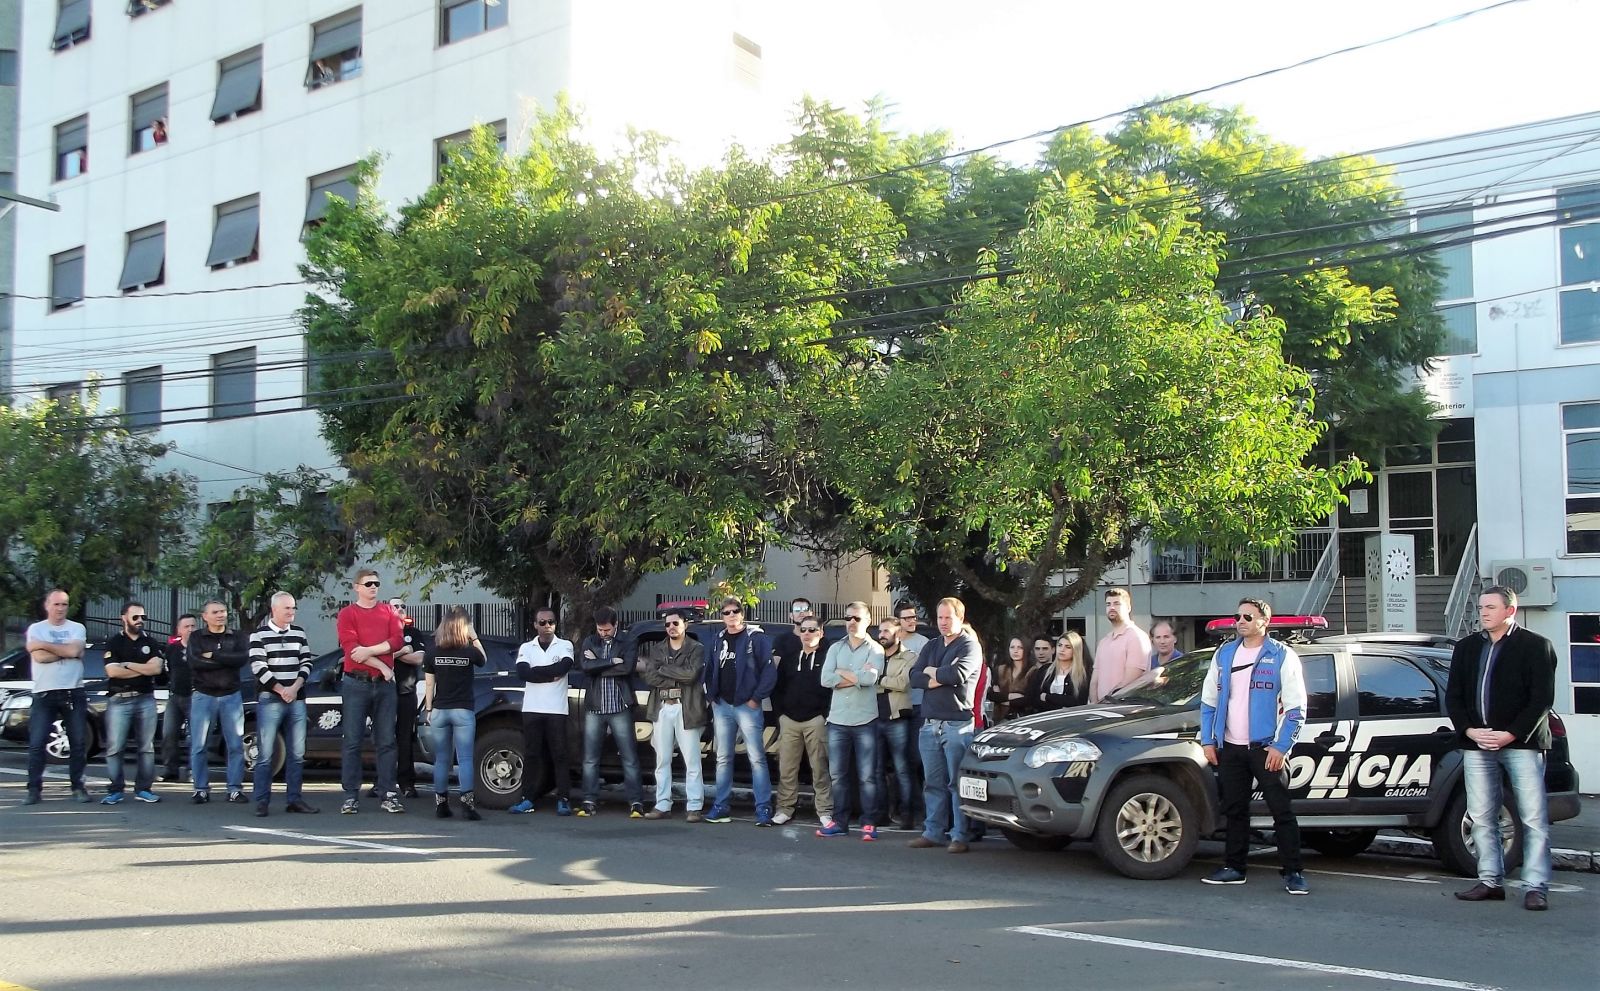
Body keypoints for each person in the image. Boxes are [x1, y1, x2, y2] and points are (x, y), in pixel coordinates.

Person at [1446, 586, 1559, 911]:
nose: (1484, 613)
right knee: (1481, 815)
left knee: (1533, 817)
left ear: (1510, 610)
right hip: (1476, 744)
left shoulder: (1536, 646)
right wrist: (1469, 729)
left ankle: (1536, 886)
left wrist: (1510, 734)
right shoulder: (1467, 648)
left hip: (1520, 745)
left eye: (1491, 607)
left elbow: (1541, 699)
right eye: (1481, 607)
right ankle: (1490, 880)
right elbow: (1454, 695)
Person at [1199, 597, 1309, 894]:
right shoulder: (1224, 654)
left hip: (1265, 748)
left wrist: (1281, 746)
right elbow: (1209, 701)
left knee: (1281, 810)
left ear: (1264, 621)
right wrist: (1208, 740)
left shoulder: (1282, 655)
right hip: (1231, 747)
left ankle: (1293, 872)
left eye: (1248, 616)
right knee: (1235, 810)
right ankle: (1234, 867)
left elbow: (1297, 707)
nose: (1241, 621)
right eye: (1238, 616)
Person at [908, 596, 982, 853]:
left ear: (960, 618)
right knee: (933, 783)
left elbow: (957, 674)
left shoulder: (970, 645)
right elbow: (914, 676)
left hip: (957, 724)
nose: (943, 622)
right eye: (939, 617)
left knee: (956, 783)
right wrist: (936, 674)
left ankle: (960, 835)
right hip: (930, 724)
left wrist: (932, 671)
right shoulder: (931, 645)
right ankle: (933, 832)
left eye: (948, 617)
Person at [335, 568, 404, 814]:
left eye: (376, 583)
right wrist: (382, 665)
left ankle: (388, 792)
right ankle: (350, 795)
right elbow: (352, 650)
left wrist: (370, 652)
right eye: (368, 583)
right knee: (352, 740)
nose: (373, 587)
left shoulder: (389, 611)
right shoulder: (347, 614)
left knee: (386, 741)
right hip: (356, 683)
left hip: (384, 686)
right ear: (356, 587)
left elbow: (397, 640)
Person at [702, 597, 777, 826]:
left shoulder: (757, 639)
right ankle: (721, 806)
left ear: (742, 614)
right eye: (726, 612)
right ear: (722, 616)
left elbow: (769, 671)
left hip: (747, 706)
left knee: (756, 759)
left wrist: (756, 698)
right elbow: (710, 669)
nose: (731, 615)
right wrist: (711, 697)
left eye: (735, 611)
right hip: (722, 705)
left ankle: (763, 808)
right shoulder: (717, 639)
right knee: (723, 758)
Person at [247, 592, 318, 817]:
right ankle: (261, 800)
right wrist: (281, 690)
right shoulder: (259, 635)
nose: (291, 612)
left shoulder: (299, 633)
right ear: (274, 610)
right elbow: (259, 668)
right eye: (287, 608)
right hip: (271, 699)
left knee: (297, 753)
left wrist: (295, 687)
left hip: (295, 698)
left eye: (293, 608)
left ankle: (294, 799)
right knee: (266, 753)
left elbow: (306, 662)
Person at [817, 602, 883, 840]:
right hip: (838, 720)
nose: (851, 622)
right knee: (838, 775)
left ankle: (869, 823)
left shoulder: (876, 650)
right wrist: (856, 676)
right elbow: (825, 679)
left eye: (856, 618)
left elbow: (871, 679)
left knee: (867, 776)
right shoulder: (835, 647)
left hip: (865, 719)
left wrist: (842, 672)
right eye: (848, 618)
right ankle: (840, 822)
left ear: (867, 620)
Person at [637, 608, 707, 821]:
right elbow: (650, 677)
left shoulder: (696, 648)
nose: (671, 628)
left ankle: (694, 806)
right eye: (667, 625)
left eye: (675, 623)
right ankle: (662, 804)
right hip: (662, 707)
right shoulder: (658, 649)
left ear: (685, 624)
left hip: (686, 707)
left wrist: (664, 669)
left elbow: (692, 675)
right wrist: (674, 673)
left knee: (692, 760)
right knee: (662, 759)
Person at [24, 589, 90, 805]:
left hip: (73, 692)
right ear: (47, 605)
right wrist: (65, 650)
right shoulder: (36, 628)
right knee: (36, 743)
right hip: (44, 693)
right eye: (57, 604)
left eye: (64, 604)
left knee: (78, 743)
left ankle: (78, 787)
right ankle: (34, 789)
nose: (61, 608)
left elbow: (75, 651)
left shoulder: (77, 628)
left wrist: (43, 645)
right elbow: (40, 658)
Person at [577, 606, 644, 817]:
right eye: (600, 629)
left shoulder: (627, 640)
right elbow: (585, 667)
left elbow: (627, 668)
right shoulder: (589, 641)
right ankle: (589, 800)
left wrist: (597, 664)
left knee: (629, 756)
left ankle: (636, 802)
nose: (603, 633)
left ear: (615, 625)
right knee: (590, 758)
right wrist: (610, 661)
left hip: (619, 705)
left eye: (607, 629)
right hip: (595, 707)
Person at [509, 607, 575, 816]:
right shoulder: (527, 647)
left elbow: (563, 668)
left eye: (551, 622)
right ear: (535, 625)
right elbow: (522, 673)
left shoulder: (565, 645)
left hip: (556, 709)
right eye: (543, 622)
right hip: (532, 708)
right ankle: (527, 798)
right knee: (531, 754)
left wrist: (536, 672)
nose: (548, 626)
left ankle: (563, 799)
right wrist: (548, 675)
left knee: (560, 754)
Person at [424, 607, 488, 821]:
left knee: (441, 760)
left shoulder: (433, 652)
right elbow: (484, 660)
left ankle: (441, 805)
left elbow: (430, 684)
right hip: (463, 710)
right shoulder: (469, 651)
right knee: (466, 759)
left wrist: (429, 709)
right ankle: (467, 807)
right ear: (464, 628)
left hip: (440, 710)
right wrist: (474, 636)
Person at [99, 602, 164, 805]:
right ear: (124, 618)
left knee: (146, 747)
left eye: (143, 617)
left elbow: (156, 669)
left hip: (145, 698)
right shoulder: (114, 642)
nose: (140, 621)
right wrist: (142, 668)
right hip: (120, 700)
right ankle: (115, 790)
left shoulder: (151, 642)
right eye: (135, 617)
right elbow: (112, 672)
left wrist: (127, 665)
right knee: (115, 747)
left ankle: (143, 788)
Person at [771, 616, 832, 827]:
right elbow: (776, 688)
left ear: (821, 633)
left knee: (820, 768)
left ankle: (824, 810)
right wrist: (780, 715)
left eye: (812, 630)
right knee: (786, 768)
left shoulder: (827, 657)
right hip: (789, 720)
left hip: (816, 720)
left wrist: (824, 715)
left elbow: (832, 689)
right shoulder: (789, 658)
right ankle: (784, 809)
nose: (807, 634)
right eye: (803, 630)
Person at [187, 599, 249, 805]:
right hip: (203, 695)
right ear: (205, 616)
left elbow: (241, 659)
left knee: (235, 745)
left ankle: (234, 789)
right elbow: (195, 662)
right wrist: (225, 659)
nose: (221, 615)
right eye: (215, 612)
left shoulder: (237, 636)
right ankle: (200, 789)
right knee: (199, 745)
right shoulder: (196, 637)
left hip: (231, 695)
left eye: (223, 611)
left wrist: (214, 655)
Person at [874, 618, 917, 830]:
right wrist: (883, 682)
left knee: (902, 768)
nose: (881, 634)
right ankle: (882, 813)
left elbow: (902, 683)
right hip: (874, 718)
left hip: (897, 718)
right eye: (880, 631)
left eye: (886, 631)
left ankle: (907, 815)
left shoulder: (909, 656)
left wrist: (878, 680)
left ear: (897, 633)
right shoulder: (874, 655)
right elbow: (864, 680)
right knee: (877, 769)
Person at [1089, 588, 1152, 703]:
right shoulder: (1103, 642)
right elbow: (1094, 682)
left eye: (1117, 603)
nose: (1112, 607)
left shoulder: (1137, 637)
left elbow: (1130, 682)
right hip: (1100, 711)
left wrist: (1106, 702)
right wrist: (1095, 705)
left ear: (1128, 608)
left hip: (1125, 710)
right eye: (1108, 604)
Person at [390, 598, 425, 799]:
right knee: (384, 739)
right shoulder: (382, 631)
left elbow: (419, 658)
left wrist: (392, 653)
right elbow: (378, 655)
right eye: (396, 606)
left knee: (404, 739)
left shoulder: (412, 633)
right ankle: (382, 783)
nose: (401, 609)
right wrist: (403, 651)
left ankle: (407, 783)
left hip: (406, 692)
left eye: (403, 606)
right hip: (384, 691)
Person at [159, 614, 197, 782]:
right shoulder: (172, 649)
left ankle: (193, 770)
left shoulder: (200, 648)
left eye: (193, 626)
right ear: (179, 630)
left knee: (195, 735)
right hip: (175, 696)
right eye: (186, 626)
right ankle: (170, 770)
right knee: (169, 733)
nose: (190, 629)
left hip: (195, 696)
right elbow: (165, 672)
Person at [1021, 632, 1091, 714]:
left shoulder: (1082, 674)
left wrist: (1047, 696)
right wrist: (1060, 706)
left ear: (1075, 650)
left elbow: (1077, 702)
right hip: (1044, 717)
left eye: (1068, 647)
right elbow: (1033, 699)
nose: (1062, 649)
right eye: (1060, 645)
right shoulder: (1044, 670)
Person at [988, 637, 1035, 724]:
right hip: (1000, 718)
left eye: (1020, 647)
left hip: (1024, 718)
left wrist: (1002, 699)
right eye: (1012, 647)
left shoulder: (1033, 671)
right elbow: (991, 695)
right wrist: (1012, 696)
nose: (1015, 651)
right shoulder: (1000, 669)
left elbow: (1029, 699)